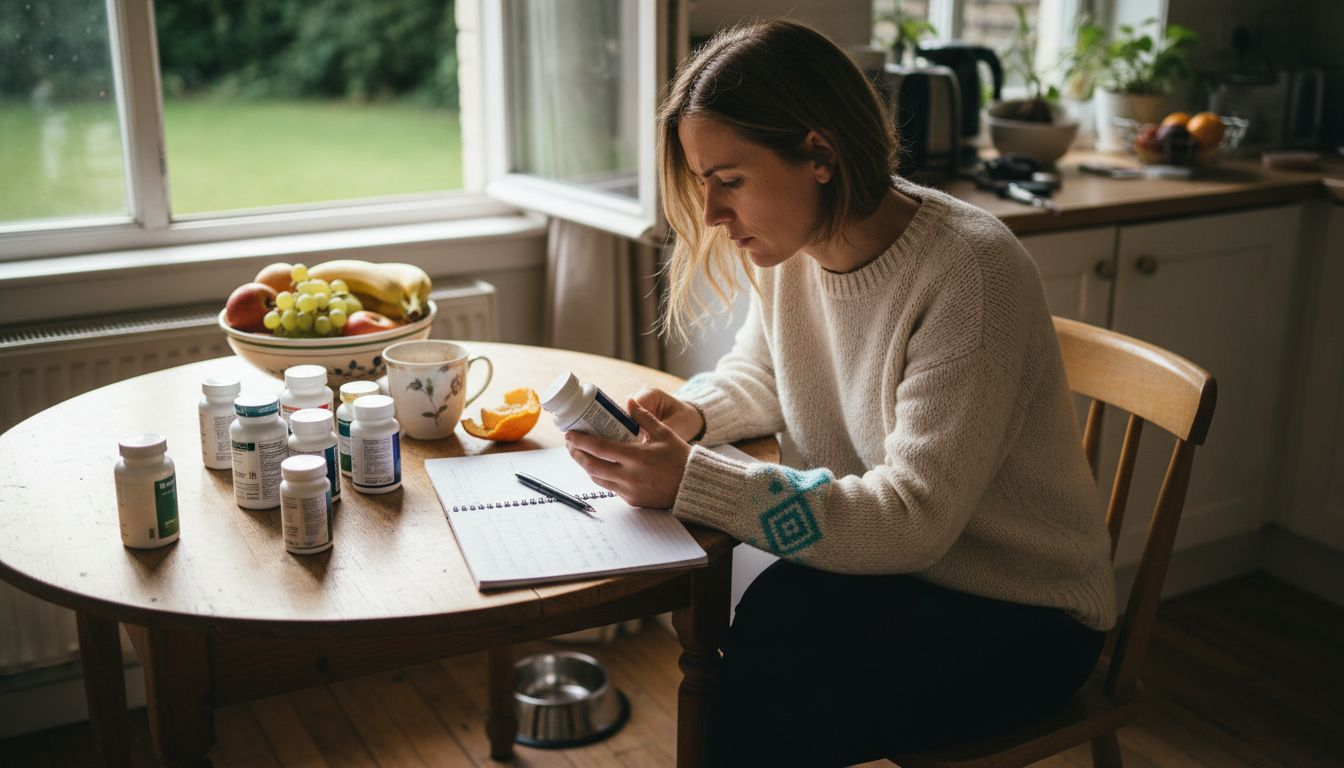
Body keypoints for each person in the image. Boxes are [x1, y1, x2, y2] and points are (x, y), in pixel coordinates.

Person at [563, 18, 1116, 766]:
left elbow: (912, 520)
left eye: (729, 181)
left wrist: (695, 480)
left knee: (775, 653)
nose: (715, 216)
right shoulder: (788, 247)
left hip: (1023, 612)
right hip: (903, 573)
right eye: (703, 186)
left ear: (818, 155)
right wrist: (694, 415)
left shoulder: (969, 274)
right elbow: (767, 375)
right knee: (773, 625)